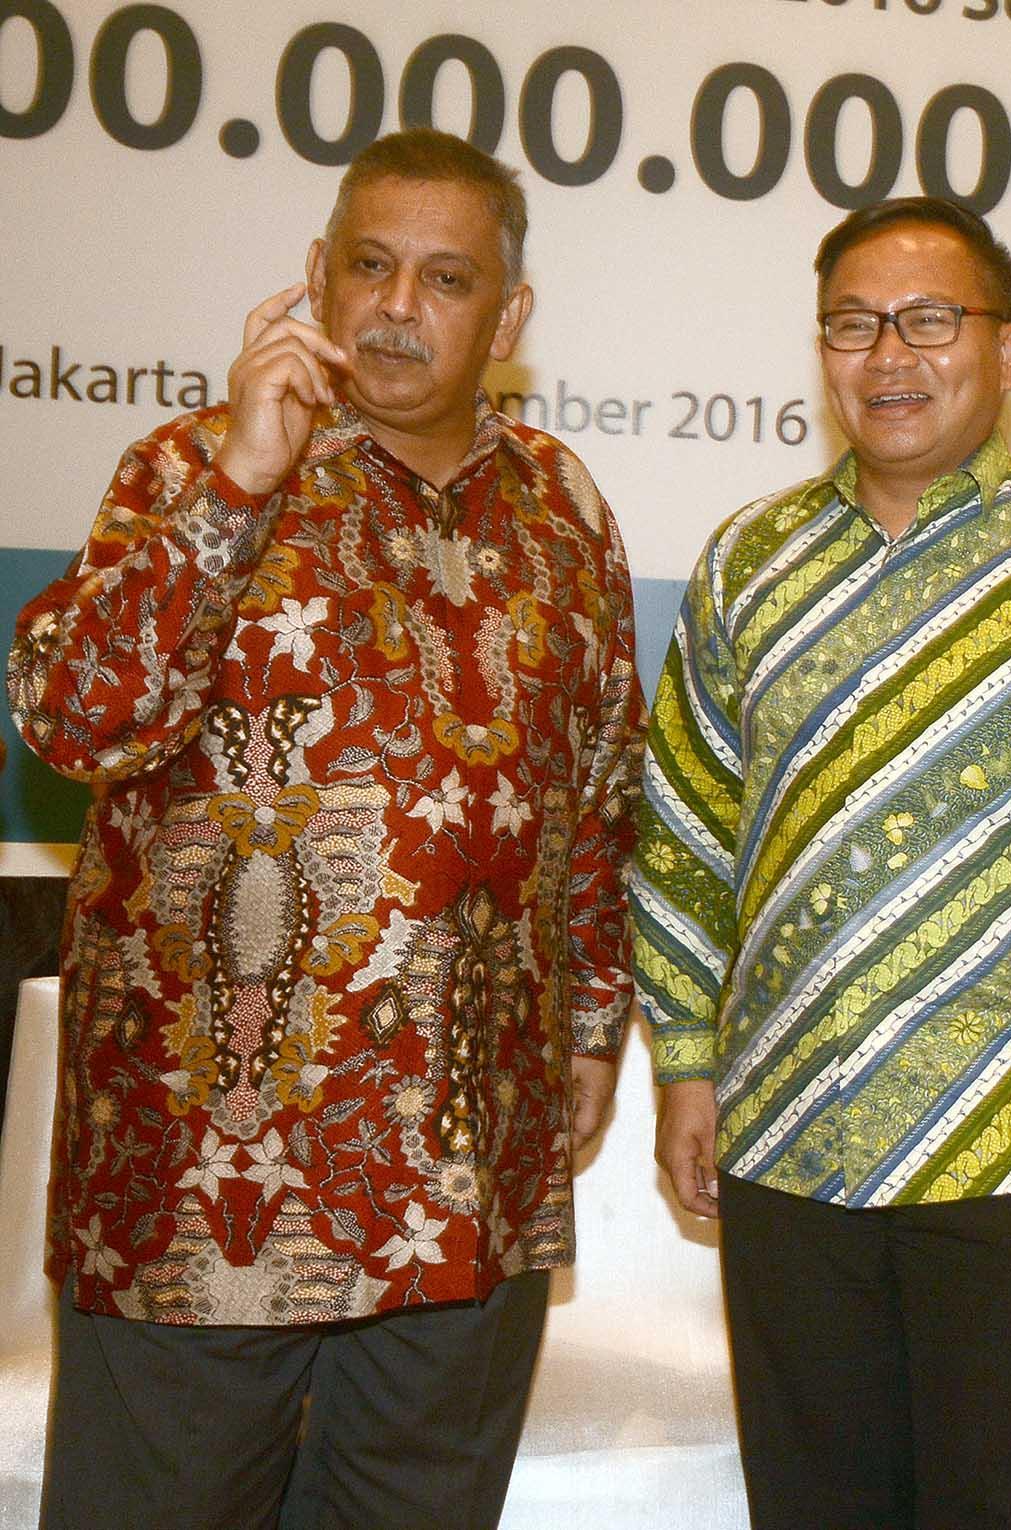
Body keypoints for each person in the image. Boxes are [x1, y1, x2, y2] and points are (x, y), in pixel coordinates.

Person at [6, 128, 644, 1529]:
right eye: (369, 265)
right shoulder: (188, 465)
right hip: (199, 1196)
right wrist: (241, 483)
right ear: (316, 273)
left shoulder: (563, 506)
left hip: (465, 1187)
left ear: (508, 319)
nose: (398, 306)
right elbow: (71, 720)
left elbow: (601, 792)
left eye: (446, 278)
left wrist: (595, 1021)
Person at [632, 195, 1011, 1529]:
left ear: (1004, 350)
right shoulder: (746, 564)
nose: (888, 354)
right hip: (788, 1143)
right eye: (852, 324)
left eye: (928, 320)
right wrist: (685, 1060)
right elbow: (684, 829)